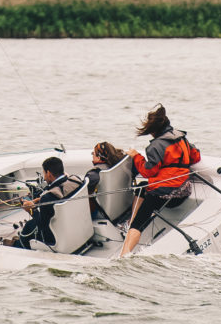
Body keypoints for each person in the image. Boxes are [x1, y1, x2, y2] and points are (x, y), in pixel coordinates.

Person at [120, 104, 201, 256]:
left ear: (153, 130)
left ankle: (123, 254)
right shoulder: (182, 138)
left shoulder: (155, 146)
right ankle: (131, 221)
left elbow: (148, 171)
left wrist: (135, 156)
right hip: (183, 191)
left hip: (164, 196)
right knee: (142, 188)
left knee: (138, 224)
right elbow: (196, 156)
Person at [15, 156, 83, 250]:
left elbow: (42, 225)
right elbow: (62, 191)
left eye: (44, 173)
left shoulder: (48, 197)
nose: (44, 177)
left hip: (56, 237)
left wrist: (31, 210)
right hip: (77, 226)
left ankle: (18, 245)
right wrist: (38, 200)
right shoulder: (76, 180)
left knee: (29, 225)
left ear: (48, 173)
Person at [84, 141, 126, 219]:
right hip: (119, 207)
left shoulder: (94, 174)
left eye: (93, 153)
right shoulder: (116, 168)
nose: (92, 155)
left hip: (100, 213)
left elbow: (82, 190)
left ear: (99, 157)